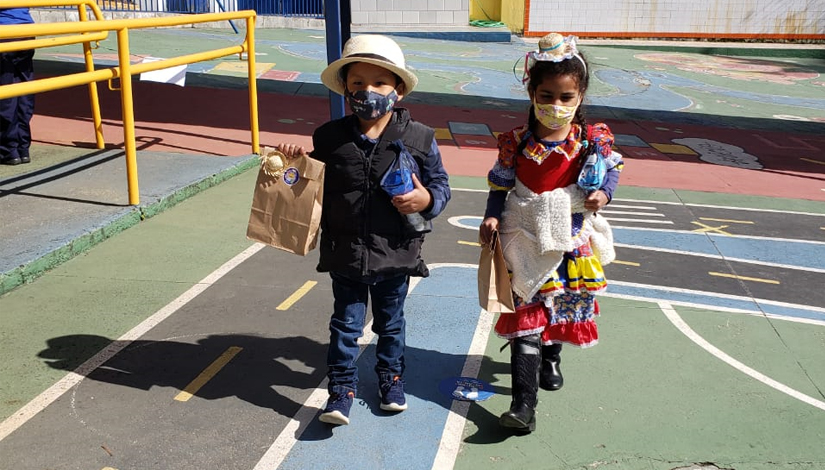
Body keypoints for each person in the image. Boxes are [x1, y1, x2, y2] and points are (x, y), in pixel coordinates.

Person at [274, 34, 451, 426]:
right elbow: (306, 185)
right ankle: (341, 389)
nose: (367, 92)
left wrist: (426, 201)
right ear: (345, 89)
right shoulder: (329, 138)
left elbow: (440, 186)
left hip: (397, 252)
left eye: (379, 84)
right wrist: (292, 166)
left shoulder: (420, 138)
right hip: (345, 252)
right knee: (345, 324)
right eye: (357, 84)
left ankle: (391, 380)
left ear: (398, 90)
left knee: (391, 324)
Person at [478, 33, 624, 433]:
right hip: (522, 237)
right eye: (546, 96)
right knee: (526, 317)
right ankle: (524, 405)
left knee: (558, 309)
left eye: (565, 98)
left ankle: (552, 355)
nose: (555, 106)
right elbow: (500, 185)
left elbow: (613, 170)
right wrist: (492, 216)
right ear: (531, 91)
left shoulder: (592, 142)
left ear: (580, 96)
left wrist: (602, 194)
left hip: (569, 240)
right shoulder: (515, 143)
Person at [0, 7, 35, 166]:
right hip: (25, 29)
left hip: (5, 30)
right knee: (22, 87)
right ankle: (22, 146)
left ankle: (8, 149)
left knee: (5, 88)